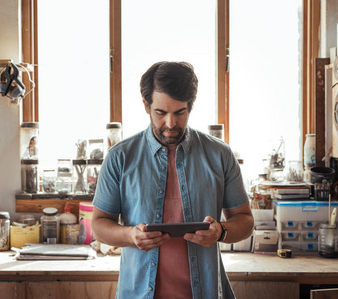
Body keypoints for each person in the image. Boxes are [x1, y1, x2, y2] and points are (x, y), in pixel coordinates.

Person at [92, 61, 254, 299]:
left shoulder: (220, 155)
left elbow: (246, 221)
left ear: (191, 106)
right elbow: (99, 225)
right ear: (146, 106)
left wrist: (220, 231)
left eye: (180, 112)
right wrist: (130, 236)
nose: (170, 124)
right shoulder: (120, 157)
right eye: (161, 113)